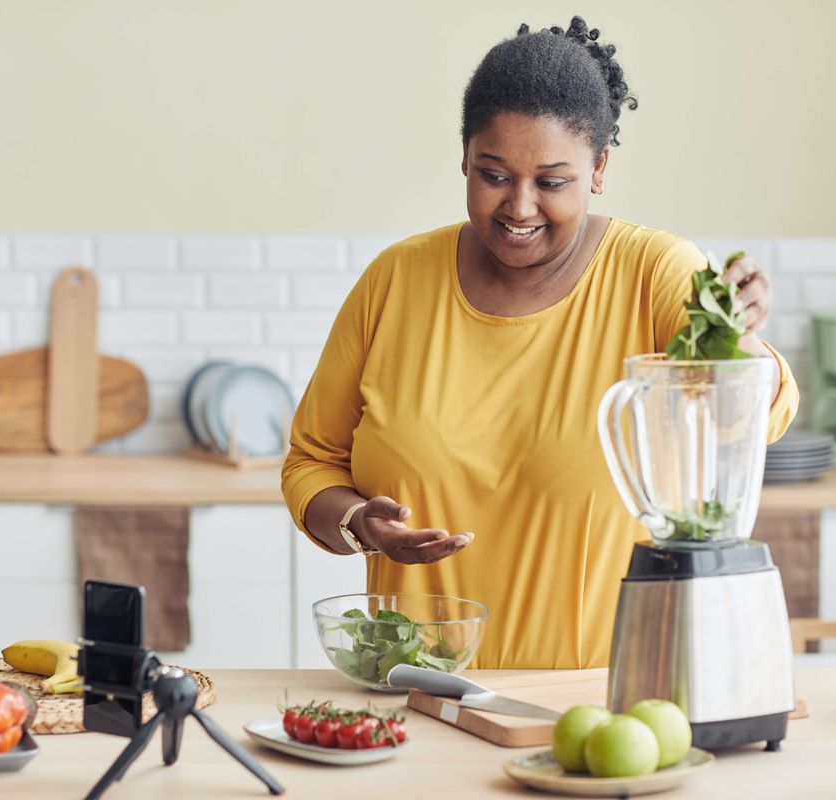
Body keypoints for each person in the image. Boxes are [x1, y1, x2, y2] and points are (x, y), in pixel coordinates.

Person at [281, 17, 799, 669]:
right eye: (494, 174)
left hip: (606, 707)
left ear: (598, 168)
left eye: (551, 182)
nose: (519, 207)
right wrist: (360, 524)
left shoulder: (654, 273)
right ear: (464, 155)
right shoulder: (395, 280)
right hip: (416, 695)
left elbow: (757, 416)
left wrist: (733, 334)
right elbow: (311, 462)